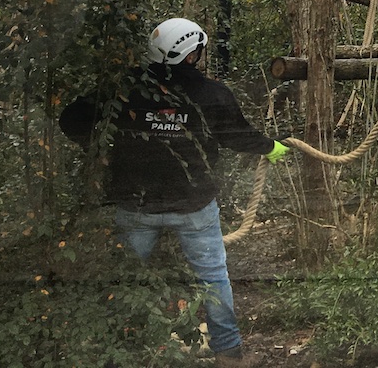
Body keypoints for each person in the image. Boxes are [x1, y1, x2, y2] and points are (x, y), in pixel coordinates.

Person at [59, 18, 291, 366]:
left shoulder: (125, 89)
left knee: (128, 278)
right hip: (194, 206)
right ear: (190, 55)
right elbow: (236, 135)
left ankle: (123, 349)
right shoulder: (212, 94)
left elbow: (71, 119)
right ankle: (228, 351)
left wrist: (104, 148)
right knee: (213, 277)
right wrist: (271, 148)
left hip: (136, 205)